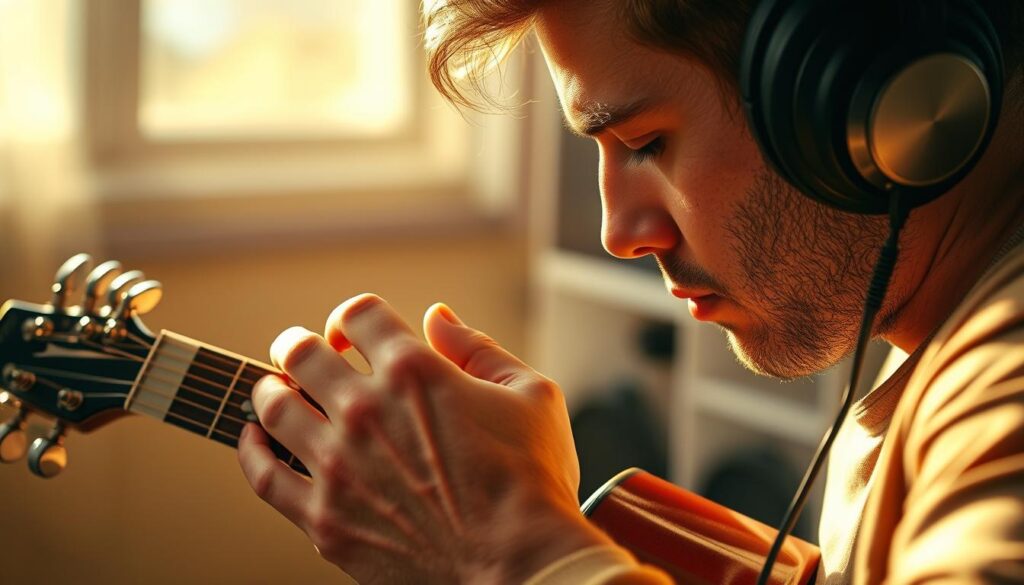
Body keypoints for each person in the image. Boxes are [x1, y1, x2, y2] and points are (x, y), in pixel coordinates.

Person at [235, 1, 1024, 583]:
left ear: (850, 92)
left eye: (646, 143)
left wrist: (507, 552)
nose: (621, 232)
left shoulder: (1006, 373)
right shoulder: (940, 322)